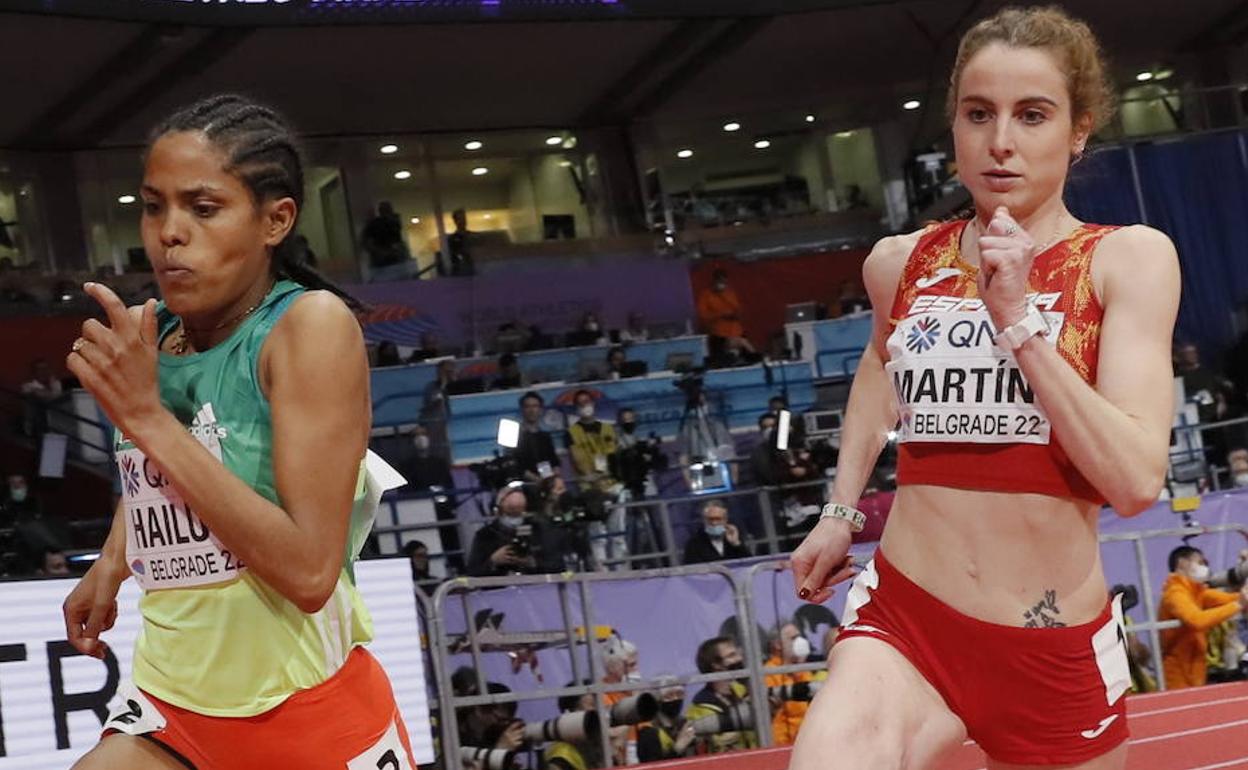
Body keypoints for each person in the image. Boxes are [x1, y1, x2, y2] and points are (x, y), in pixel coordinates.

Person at [789, 8, 1180, 769]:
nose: (1000, 141)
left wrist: (1019, 322)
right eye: (979, 114)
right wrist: (840, 509)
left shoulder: (1125, 261)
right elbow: (880, 369)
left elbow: (1135, 481)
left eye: (1032, 115)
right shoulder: (899, 262)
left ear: (1078, 131)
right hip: (907, 621)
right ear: (955, 126)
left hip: (1047, 644)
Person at [62, 95, 416, 768]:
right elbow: (166, 467)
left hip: (306, 717)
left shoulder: (309, 328)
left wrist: (145, 418)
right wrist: (112, 560)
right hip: (172, 708)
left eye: (202, 208)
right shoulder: (158, 335)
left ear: (275, 219)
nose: (169, 232)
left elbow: (310, 572)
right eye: (153, 206)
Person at [1158, 546, 1247, 689]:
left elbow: (1229, 599)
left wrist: (1243, 596)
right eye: (1200, 563)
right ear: (1182, 563)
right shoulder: (1175, 593)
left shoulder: (1196, 591)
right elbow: (1197, 620)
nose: (1204, 567)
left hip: (1196, 667)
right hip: (1178, 671)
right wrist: (1238, 605)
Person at [465, 486, 562, 576]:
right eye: (510, 511)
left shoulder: (538, 530)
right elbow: (473, 573)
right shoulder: (485, 535)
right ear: (498, 510)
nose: (514, 517)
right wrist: (493, 561)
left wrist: (533, 563)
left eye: (519, 511)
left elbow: (558, 565)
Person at [685, 636, 757, 754]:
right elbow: (718, 745)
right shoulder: (700, 708)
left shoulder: (743, 690)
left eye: (738, 653)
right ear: (716, 665)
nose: (739, 658)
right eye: (732, 655)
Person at [763, 622, 814, 746]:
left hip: (808, 741)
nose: (800, 642)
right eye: (793, 638)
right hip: (782, 745)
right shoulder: (768, 673)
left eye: (799, 636)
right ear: (777, 645)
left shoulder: (803, 670)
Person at [636, 677, 696, 763]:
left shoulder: (683, 723)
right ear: (657, 699)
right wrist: (677, 749)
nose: (676, 699)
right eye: (669, 695)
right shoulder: (648, 732)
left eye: (679, 694)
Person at [696, 268, 755, 355]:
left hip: (736, 330)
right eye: (720, 282)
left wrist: (734, 314)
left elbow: (738, 309)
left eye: (724, 282)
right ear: (714, 281)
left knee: (746, 351)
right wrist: (721, 315)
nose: (722, 285)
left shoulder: (729, 293)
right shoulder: (706, 295)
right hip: (718, 334)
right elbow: (703, 315)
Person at [683, 499, 749, 564]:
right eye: (710, 519)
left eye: (718, 519)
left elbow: (750, 564)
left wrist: (736, 544)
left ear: (725, 520)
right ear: (704, 520)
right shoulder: (694, 544)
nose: (714, 523)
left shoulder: (735, 537)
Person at [514, 391, 560, 481]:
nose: (532, 410)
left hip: (547, 480)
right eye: (527, 406)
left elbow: (554, 462)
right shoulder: (514, 437)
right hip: (526, 484)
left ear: (540, 410)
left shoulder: (545, 437)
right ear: (522, 409)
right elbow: (516, 465)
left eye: (535, 406)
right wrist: (537, 480)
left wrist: (555, 478)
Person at [446, 208, 476, 277]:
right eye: (460, 219)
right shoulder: (452, 239)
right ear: (455, 221)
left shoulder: (472, 236)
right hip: (461, 271)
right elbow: (453, 255)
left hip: (474, 269)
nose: (463, 221)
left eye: (464, 218)